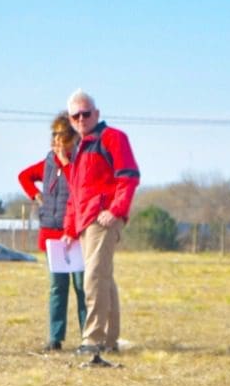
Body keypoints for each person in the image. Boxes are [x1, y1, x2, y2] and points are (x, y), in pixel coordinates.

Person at [63, 89, 139, 366]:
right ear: (70, 119)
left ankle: (93, 339)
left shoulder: (113, 138)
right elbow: (75, 193)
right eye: (76, 116)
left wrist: (116, 210)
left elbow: (129, 176)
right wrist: (70, 228)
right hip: (85, 222)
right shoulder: (80, 148)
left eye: (86, 113)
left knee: (94, 278)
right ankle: (109, 339)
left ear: (96, 114)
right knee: (103, 278)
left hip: (101, 219)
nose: (81, 119)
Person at [18, 112, 86, 351]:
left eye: (62, 135)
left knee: (82, 286)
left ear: (73, 138)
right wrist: (36, 196)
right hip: (51, 234)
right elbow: (24, 176)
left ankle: (88, 337)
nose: (57, 140)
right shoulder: (48, 163)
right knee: (57, 286)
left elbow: (80, 186)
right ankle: (55, 337)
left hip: (76, 235)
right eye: (54, 135)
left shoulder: (80, 162)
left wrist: (67, 164)